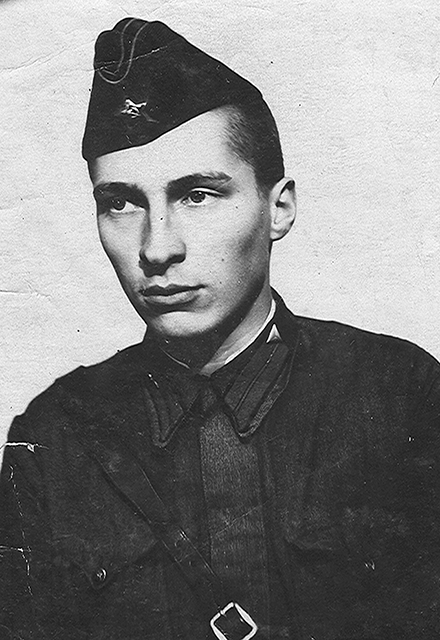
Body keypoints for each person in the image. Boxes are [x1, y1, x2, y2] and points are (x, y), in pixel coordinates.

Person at [1, 17, 439, 640]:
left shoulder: (403, 396)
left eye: (198, 195)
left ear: (278, 208)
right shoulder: (54, 436)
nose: (157, 248)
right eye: (120, 202)